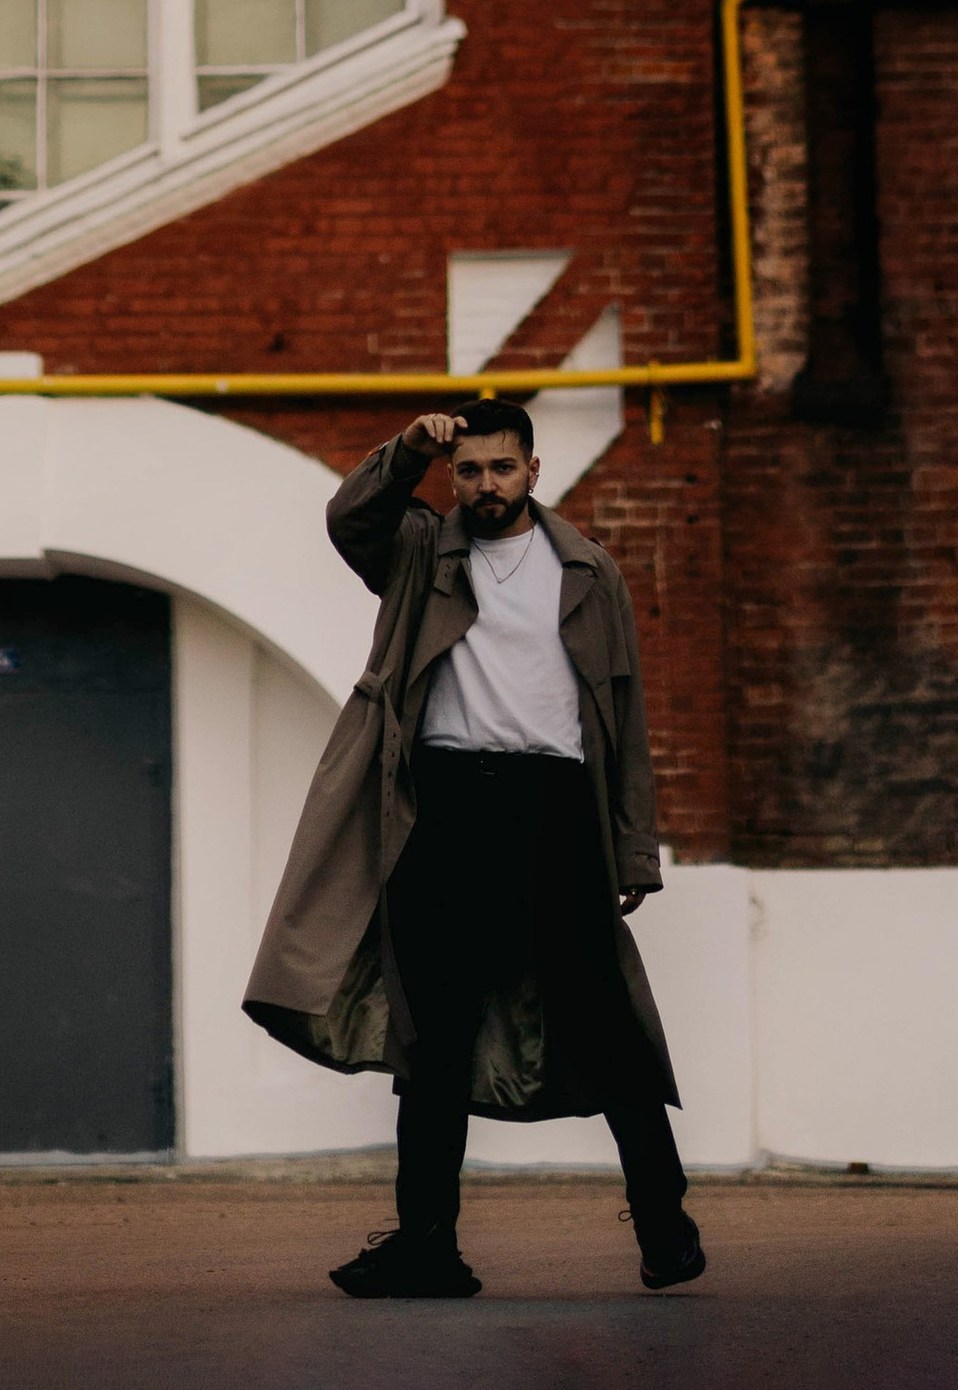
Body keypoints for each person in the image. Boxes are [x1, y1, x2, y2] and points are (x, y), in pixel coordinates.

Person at [242, 397, 705, 1301]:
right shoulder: (422, 549)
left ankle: (664, 1222)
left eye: (501, 469)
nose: (484, 486)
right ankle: (428, 1245)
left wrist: (632, 848)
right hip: (444, 809)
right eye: (470, 471)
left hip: (555, 807)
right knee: (434, 1040)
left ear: (534, 470)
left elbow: (623, 713)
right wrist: (410, 448)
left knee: (604, 1022)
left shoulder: (587, 570)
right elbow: (350, 518)